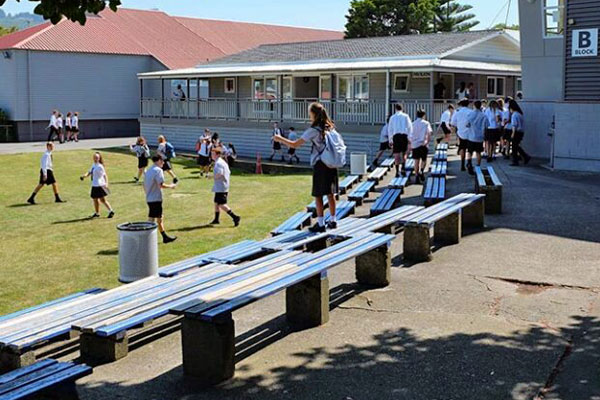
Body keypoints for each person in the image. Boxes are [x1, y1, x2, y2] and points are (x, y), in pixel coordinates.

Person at [273, 102, 340, 233]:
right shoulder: (330, 127)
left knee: (318, 194)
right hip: (332, 164)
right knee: (330, 194)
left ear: (314, 114)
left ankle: (320, 224)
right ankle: (333, 220)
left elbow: (294, 144)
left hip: (321, 165)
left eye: (310, 113)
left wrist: (280, 139)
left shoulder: (313, 131)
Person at [144, 155, 178, 244]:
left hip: (150, 197)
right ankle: (147, 238)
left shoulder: (149, 170)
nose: (163, 163)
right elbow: (161, 185)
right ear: (159, 160)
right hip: (155, 198)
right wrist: (171, 186)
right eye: (163, 161)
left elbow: (144, 185)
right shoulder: (158, 170)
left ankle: (163, 237)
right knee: (154, 219)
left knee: (156, 217)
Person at [210, 147, 241, 227]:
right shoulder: (221, 162)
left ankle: (235, 217)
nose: (211, 155)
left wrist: (211, 176)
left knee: (221, 204)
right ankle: (216, 219)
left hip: (221, 186)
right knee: (216, 203)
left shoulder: (219, 163)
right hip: (220, 186)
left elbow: (219, 174)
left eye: (212, 154)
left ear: (217, 154)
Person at [80, 152, 114, 218]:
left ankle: (111, 211)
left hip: (99, 185)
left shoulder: (100, 166)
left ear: (99, 158)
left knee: (102, 200)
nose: (95, 159)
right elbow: (90, 172)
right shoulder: (94, 165)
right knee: (95, 199)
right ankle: (97, 213)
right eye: (94, 157)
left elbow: (104, 175)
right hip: (94, 184)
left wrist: (106, 183)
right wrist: (84, 176)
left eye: (97, 158)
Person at [387, 104, 413, 178]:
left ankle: (397, 171)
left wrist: (390, 140)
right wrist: (409, 137)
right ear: (402, 108)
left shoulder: (392, 117)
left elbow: (390, 129)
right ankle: (403, 168)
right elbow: (410, 127)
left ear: (395, 109)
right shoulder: (406, 116)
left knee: (396, 155)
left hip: (396, 136)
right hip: (404, 136)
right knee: (404, 153)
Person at [450, 99, 475, 172]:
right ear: (468, 104)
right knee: (470, 149)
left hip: (461, 133)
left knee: (462, 148)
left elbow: (453, 123)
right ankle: (469, 162)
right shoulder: (471, 112)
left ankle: (462, 164)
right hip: (470, 133)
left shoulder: (457, 112)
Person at [409, 110, 432, 184]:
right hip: (423, 143)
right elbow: (429, 133)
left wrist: (410, 144)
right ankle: (422, 170)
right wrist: (427, 142)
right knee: (424, 160)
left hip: (415, 144)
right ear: (424, 115)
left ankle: (416, 176)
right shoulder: (426, 123)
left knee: (416, 161)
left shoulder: (413, 124)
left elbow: (410, 135)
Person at [467, 101, 489, 174]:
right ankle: (478, 166)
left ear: (474, 105)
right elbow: (487, 126)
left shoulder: (470, 114)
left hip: (471, 136)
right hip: (480, 137)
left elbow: (467, 124)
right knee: (478, 152)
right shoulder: (484, 115)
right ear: (480, 106)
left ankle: (469, 163)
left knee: (470, 151)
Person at [509, 100, 531, 167]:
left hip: (516, 132)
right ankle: (525, 156)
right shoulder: (520, 114)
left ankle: (516, 160)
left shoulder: (514, 115)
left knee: (514, 147)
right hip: (521, 132)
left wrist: (512, 134)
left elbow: (514, 126)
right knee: (516, 146)